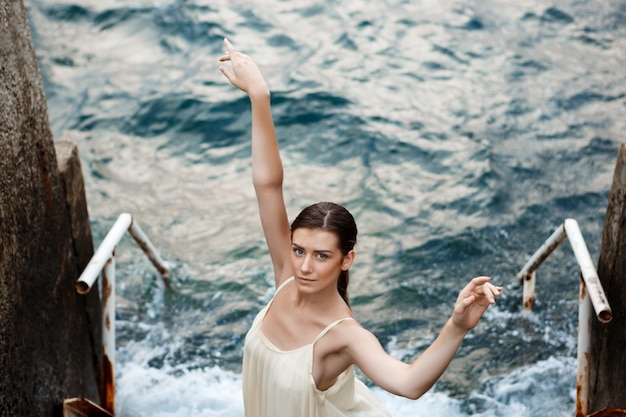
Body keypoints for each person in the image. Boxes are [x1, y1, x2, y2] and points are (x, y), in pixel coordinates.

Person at [218, 38, 502, 417]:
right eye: (299, 250)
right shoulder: (287, 275)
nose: (304, 265)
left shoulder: (342, 335)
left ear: (346, 259)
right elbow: (267, 185)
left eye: (322, 256)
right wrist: (259, 96)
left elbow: (409, 384)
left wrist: (456, 326)